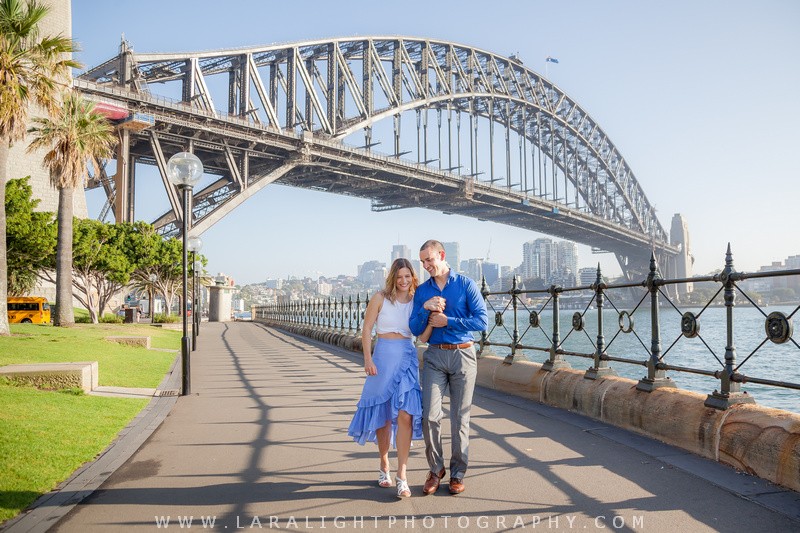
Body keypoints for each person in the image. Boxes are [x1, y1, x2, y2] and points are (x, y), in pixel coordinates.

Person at [348, 258, 432, 498]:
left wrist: (433, 314)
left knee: (405, 415)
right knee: (383, 415)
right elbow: (366, 329)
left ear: (413, 277)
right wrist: (367, 359)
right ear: (393, 279)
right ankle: (384, 462)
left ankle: (402, 475)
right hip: (383, 357)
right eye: (399, 277)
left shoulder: (418, 301)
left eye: (408, 276)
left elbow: (422, 334)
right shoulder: (380, 298)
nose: (404, 281)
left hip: (406, 356)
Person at [409, 239, 488, 496]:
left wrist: (448, 320)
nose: (426, 265)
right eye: (422, 262)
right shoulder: (422, 291)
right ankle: (436, 469)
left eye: (429, 259)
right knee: (430, 416)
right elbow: (414, 328)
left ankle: (457, 474)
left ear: (441, 255)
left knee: (459, 418)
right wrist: (425, 308)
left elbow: (482, 321)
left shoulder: (466, 284)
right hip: (434, 356)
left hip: (463, 355)